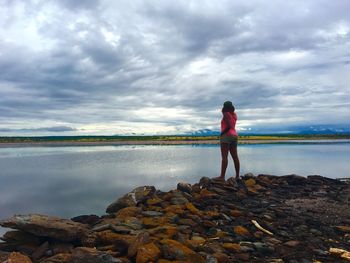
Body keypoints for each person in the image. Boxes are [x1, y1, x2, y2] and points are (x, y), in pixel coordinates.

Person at [215, 101, 240, 180]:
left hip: (226, 136)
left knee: (224, 157)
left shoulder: (226, 114)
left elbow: (228, 126)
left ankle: (222, 176)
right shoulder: (234, 115)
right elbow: (231, 125)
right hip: (234, 136)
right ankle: (237, 176)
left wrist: (222, 133)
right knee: (235, 157)